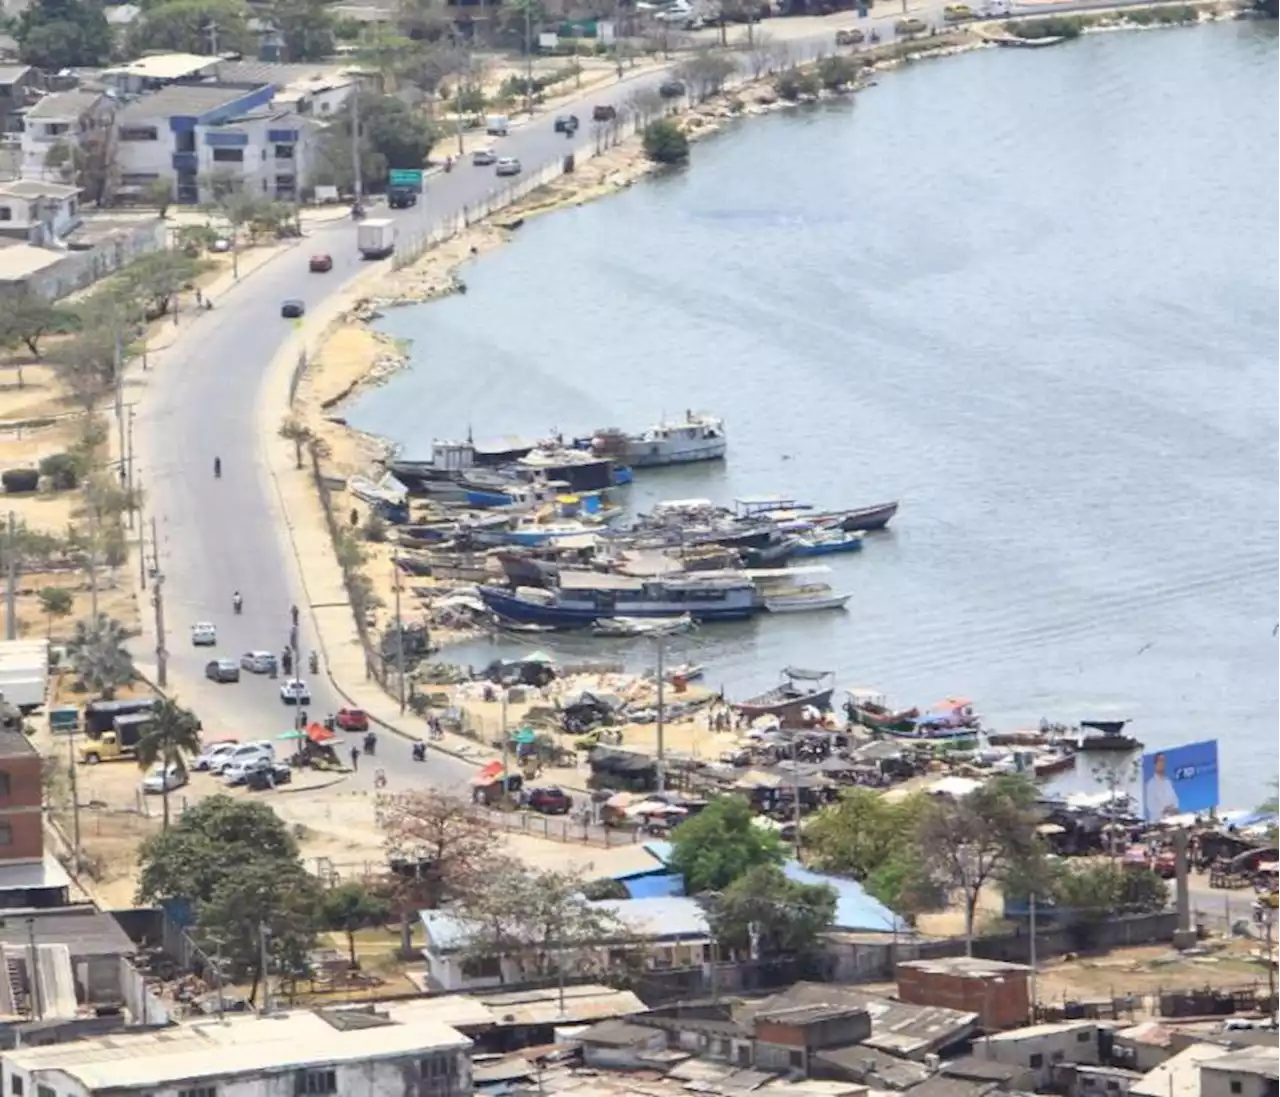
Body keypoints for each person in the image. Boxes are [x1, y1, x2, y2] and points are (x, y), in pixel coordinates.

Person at [1145, 752, 1181, 821]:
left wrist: (1173, 809)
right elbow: (1151, 806)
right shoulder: (1151, 784)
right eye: (1160, 761)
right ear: (1155, 764)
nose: (1162, 764)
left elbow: (1175, 800)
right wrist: (1165, 810)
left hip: (1171, 819)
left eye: (1164, 761)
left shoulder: (1168, 782)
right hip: (1157, 822)